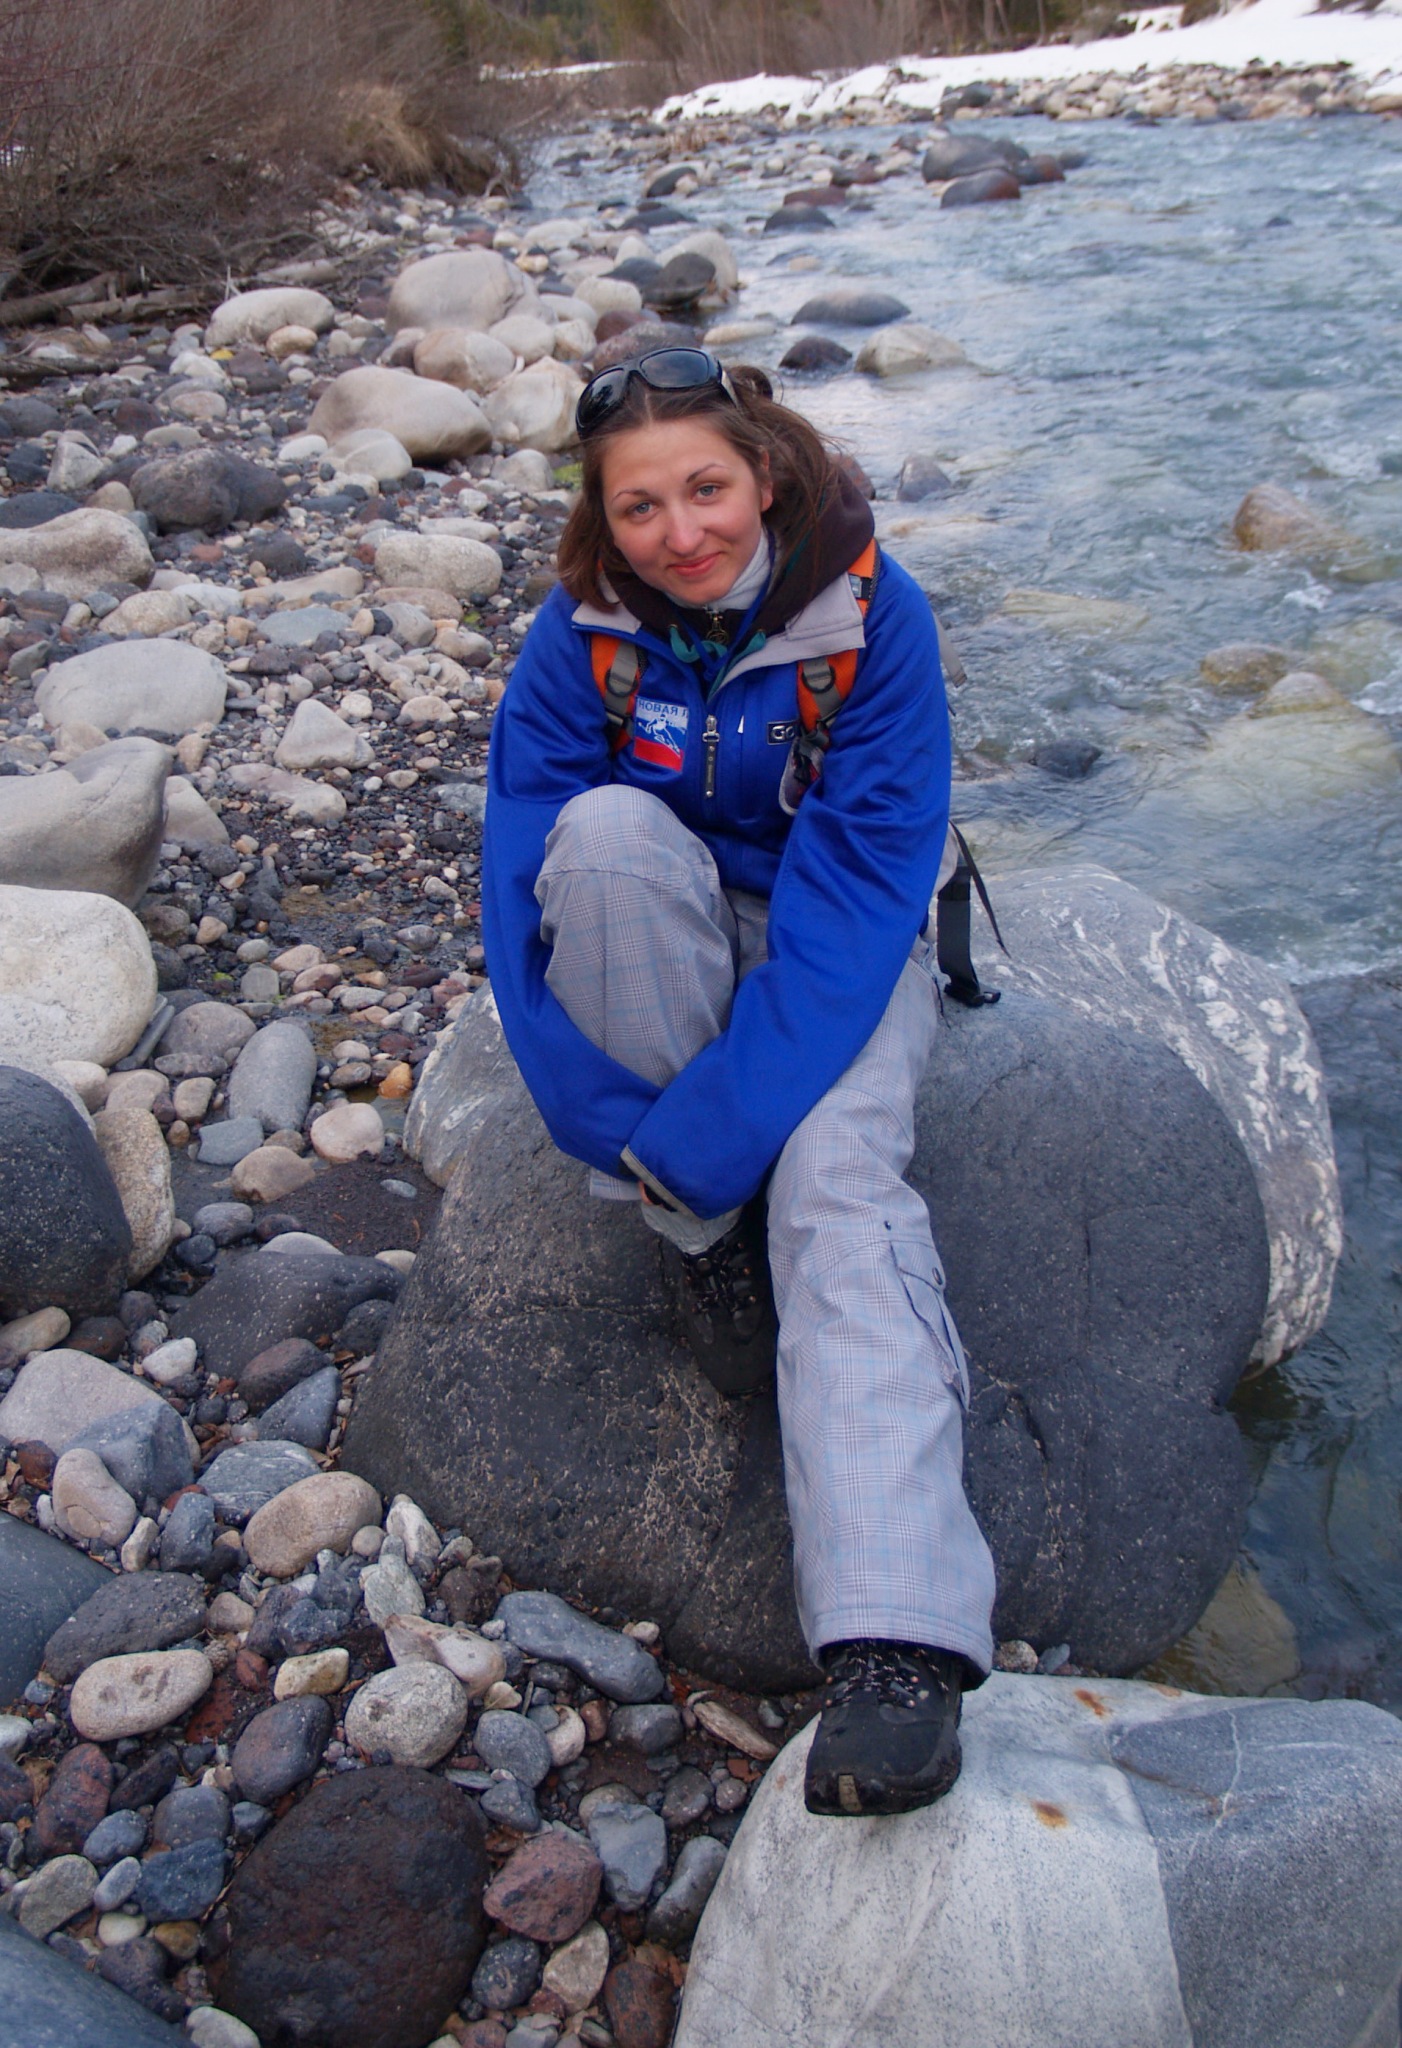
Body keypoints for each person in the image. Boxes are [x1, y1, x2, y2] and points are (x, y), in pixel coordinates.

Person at [482, 347, 996, 1818]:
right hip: (669, 905)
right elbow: (520, 871)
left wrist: (705, 1131)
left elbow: (855, 900)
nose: (678, 533)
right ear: (602, 516)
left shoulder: (869, 618)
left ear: (762, 474)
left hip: (844, 930)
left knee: (835, 1180)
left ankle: (896, 1642)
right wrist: (611, 1126)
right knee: (600, 840)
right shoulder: (579, 631)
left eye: (703, 489)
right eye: (638, 507)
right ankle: (703, 1240)